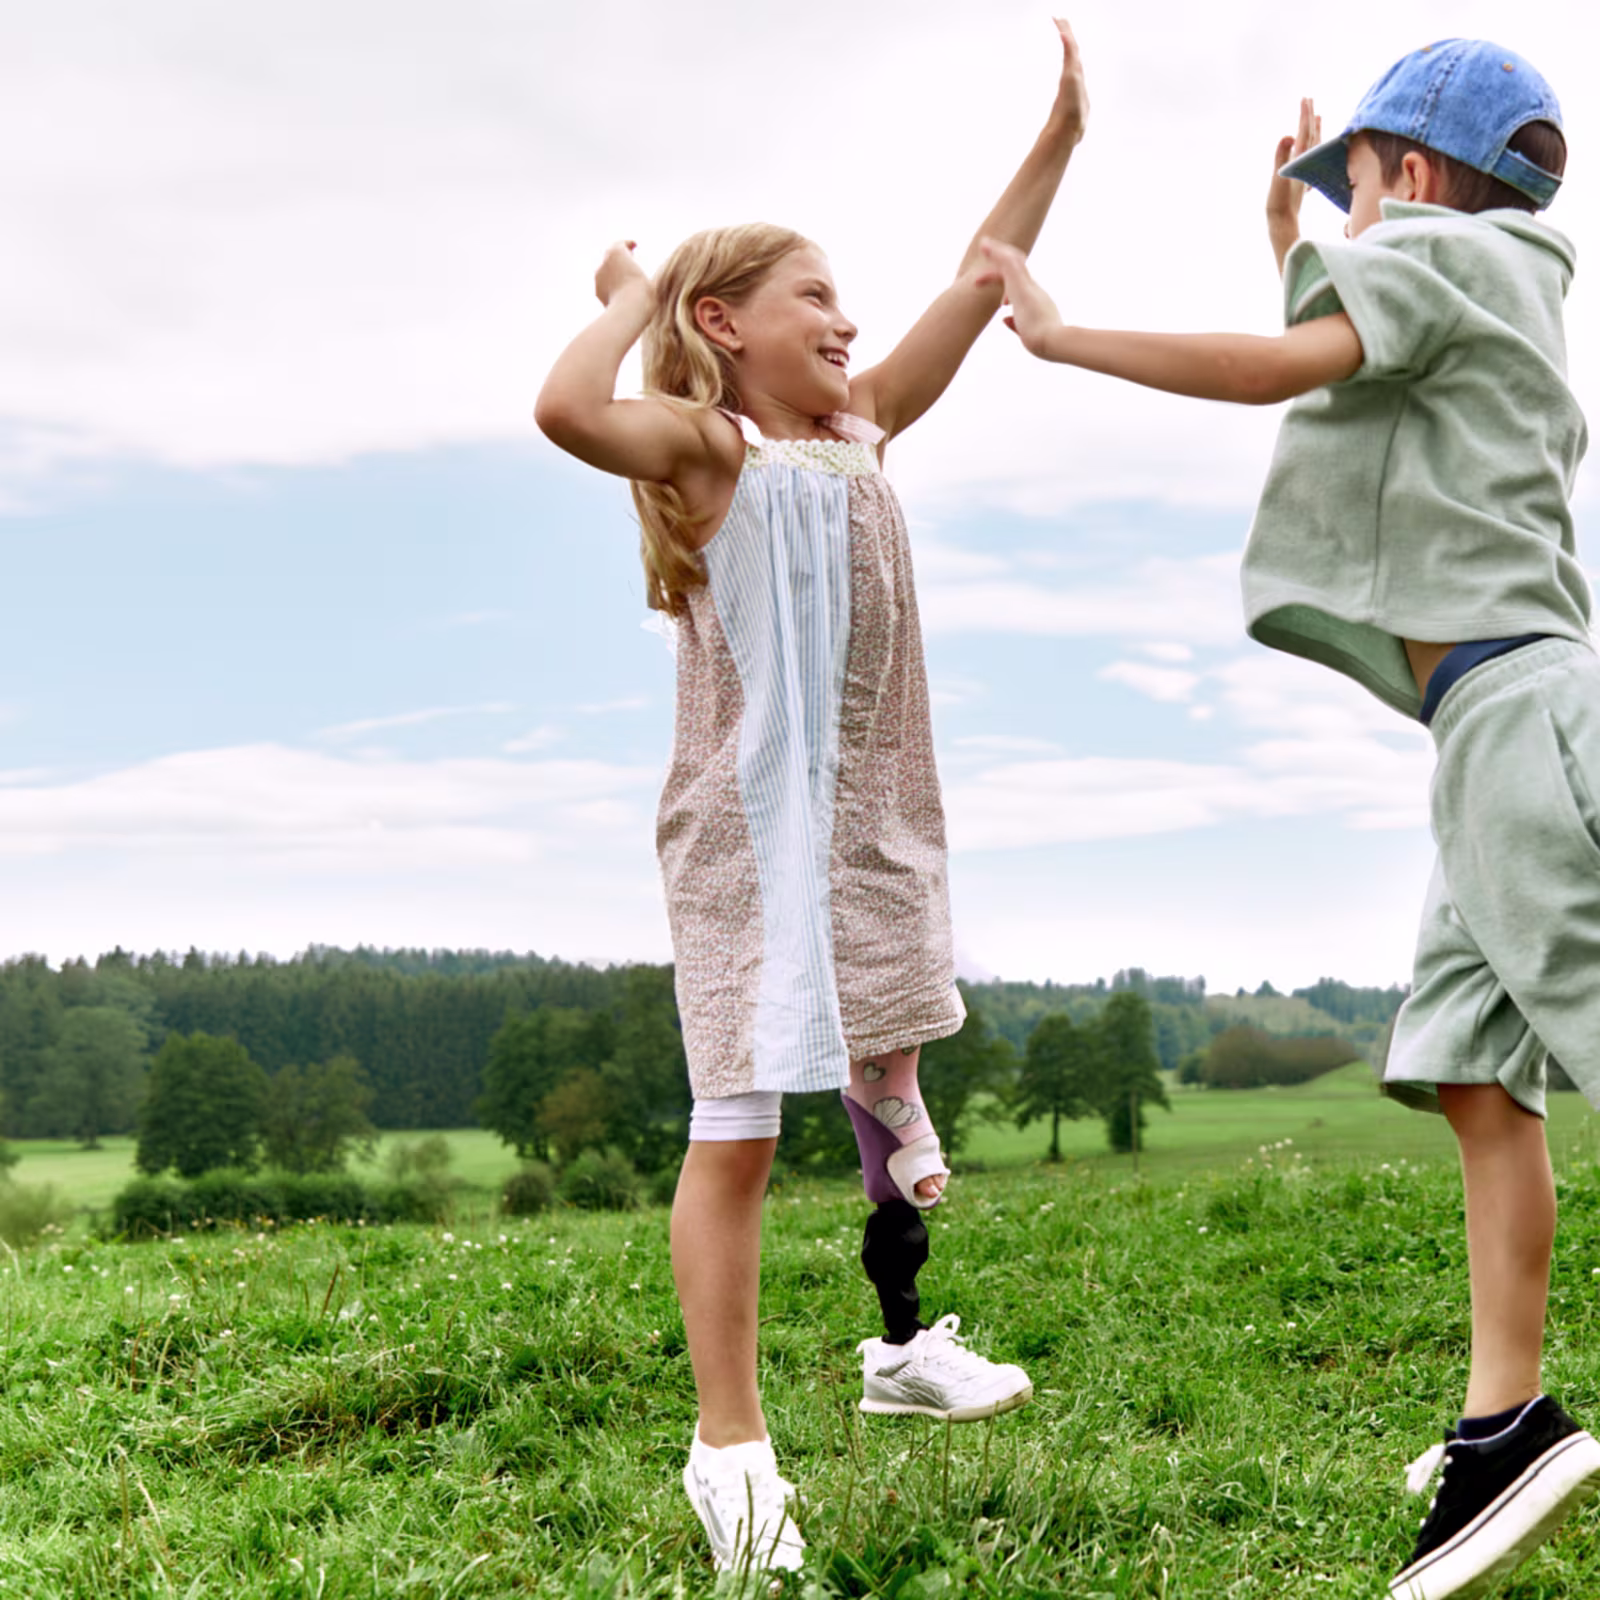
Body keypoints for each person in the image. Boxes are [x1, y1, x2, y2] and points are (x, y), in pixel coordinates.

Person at [979, 36, 1600, 1600]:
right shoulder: (1490, 272)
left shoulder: (1450, 255)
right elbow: (1359, 354)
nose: (1351, 226)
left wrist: (1062, 337)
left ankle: (1512, 1416)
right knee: (1471, 1068)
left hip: (1525, 725)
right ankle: (1505, 1419)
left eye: (1362, 187)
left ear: (1422, 177)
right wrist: (1295, 249)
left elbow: (1289, 371)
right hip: (1494, 731)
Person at [535, 21, 1088, 1576]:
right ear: (726, 323)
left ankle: (903, 1348)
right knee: (740, 1132)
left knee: (893, 1048)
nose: (850, 321)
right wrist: (635, 295)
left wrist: (1059, 141)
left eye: (848, 297)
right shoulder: (711, 451)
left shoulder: (861, 431)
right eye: (816, 296)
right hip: (749, 835)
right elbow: (568, 411)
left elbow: (980, 281)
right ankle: (733, 1456)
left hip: (877, 821)